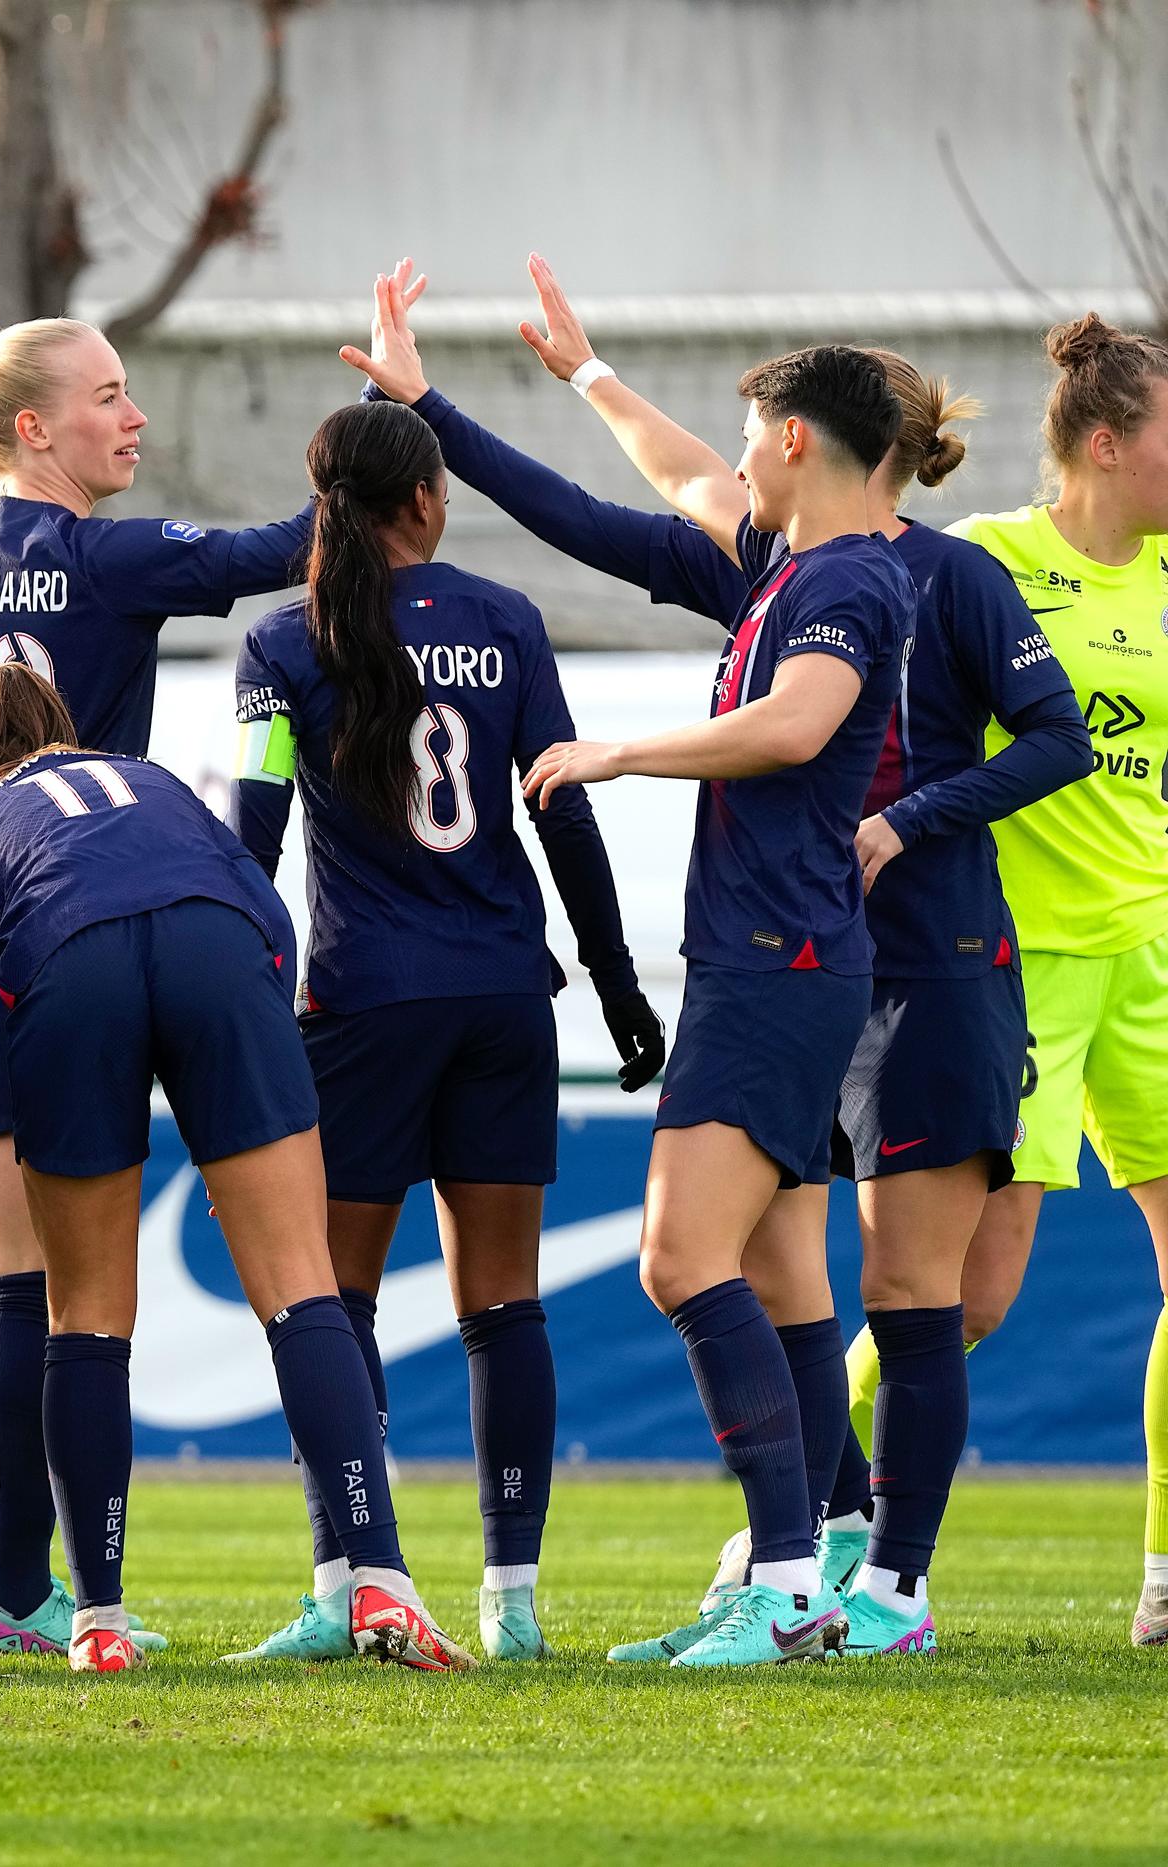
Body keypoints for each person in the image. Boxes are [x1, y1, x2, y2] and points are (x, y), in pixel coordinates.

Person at [350, 260, 1092, 1660]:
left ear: (805, 439)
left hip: (916, 959)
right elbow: (633, 500)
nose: (734, 454)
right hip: (815, 949)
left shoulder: (929, 575)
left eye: (758, 430)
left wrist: (897, 816)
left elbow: (1013, 737)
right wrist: (520, 387)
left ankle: (878, 1584)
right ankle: (814, 1543)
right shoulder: (782, 558)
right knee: (785, 1270)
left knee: (905, 1293)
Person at [0, 315, 310, 1656]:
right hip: (83, 919)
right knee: (59, 1283)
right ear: (33, 430)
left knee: (11, 1278)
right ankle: (23, 1588)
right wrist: (388, 446)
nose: (133, 418)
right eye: (107, 396)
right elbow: (288, 551)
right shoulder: (106, 553)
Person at [0, 662, 476, 1674]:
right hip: (226, 936)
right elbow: (265, 906)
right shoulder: (148, 780)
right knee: (302, 1283)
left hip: (69, 959)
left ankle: (97, 1618)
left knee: (81, 1311)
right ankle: (378, 1579)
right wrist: (245, 1129)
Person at [224, 397, 658, 1666]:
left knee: (331, 1302)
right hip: (503, 999)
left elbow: (254, 838)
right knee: (502, 1306)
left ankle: (351, 1579)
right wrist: (615, 981)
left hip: (361, 1003)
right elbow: (560, 814)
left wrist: (242, 996)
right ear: (425, 499)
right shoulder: (504, 621)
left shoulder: (277, 643)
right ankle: (510, 1604)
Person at [905, 313, 1168, 1644]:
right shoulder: (989, 563)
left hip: (1153, 960)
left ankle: (1166, 1574)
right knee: (971, 1296)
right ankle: (808, 1522)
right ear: (1110, 443)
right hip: (1023, 967)